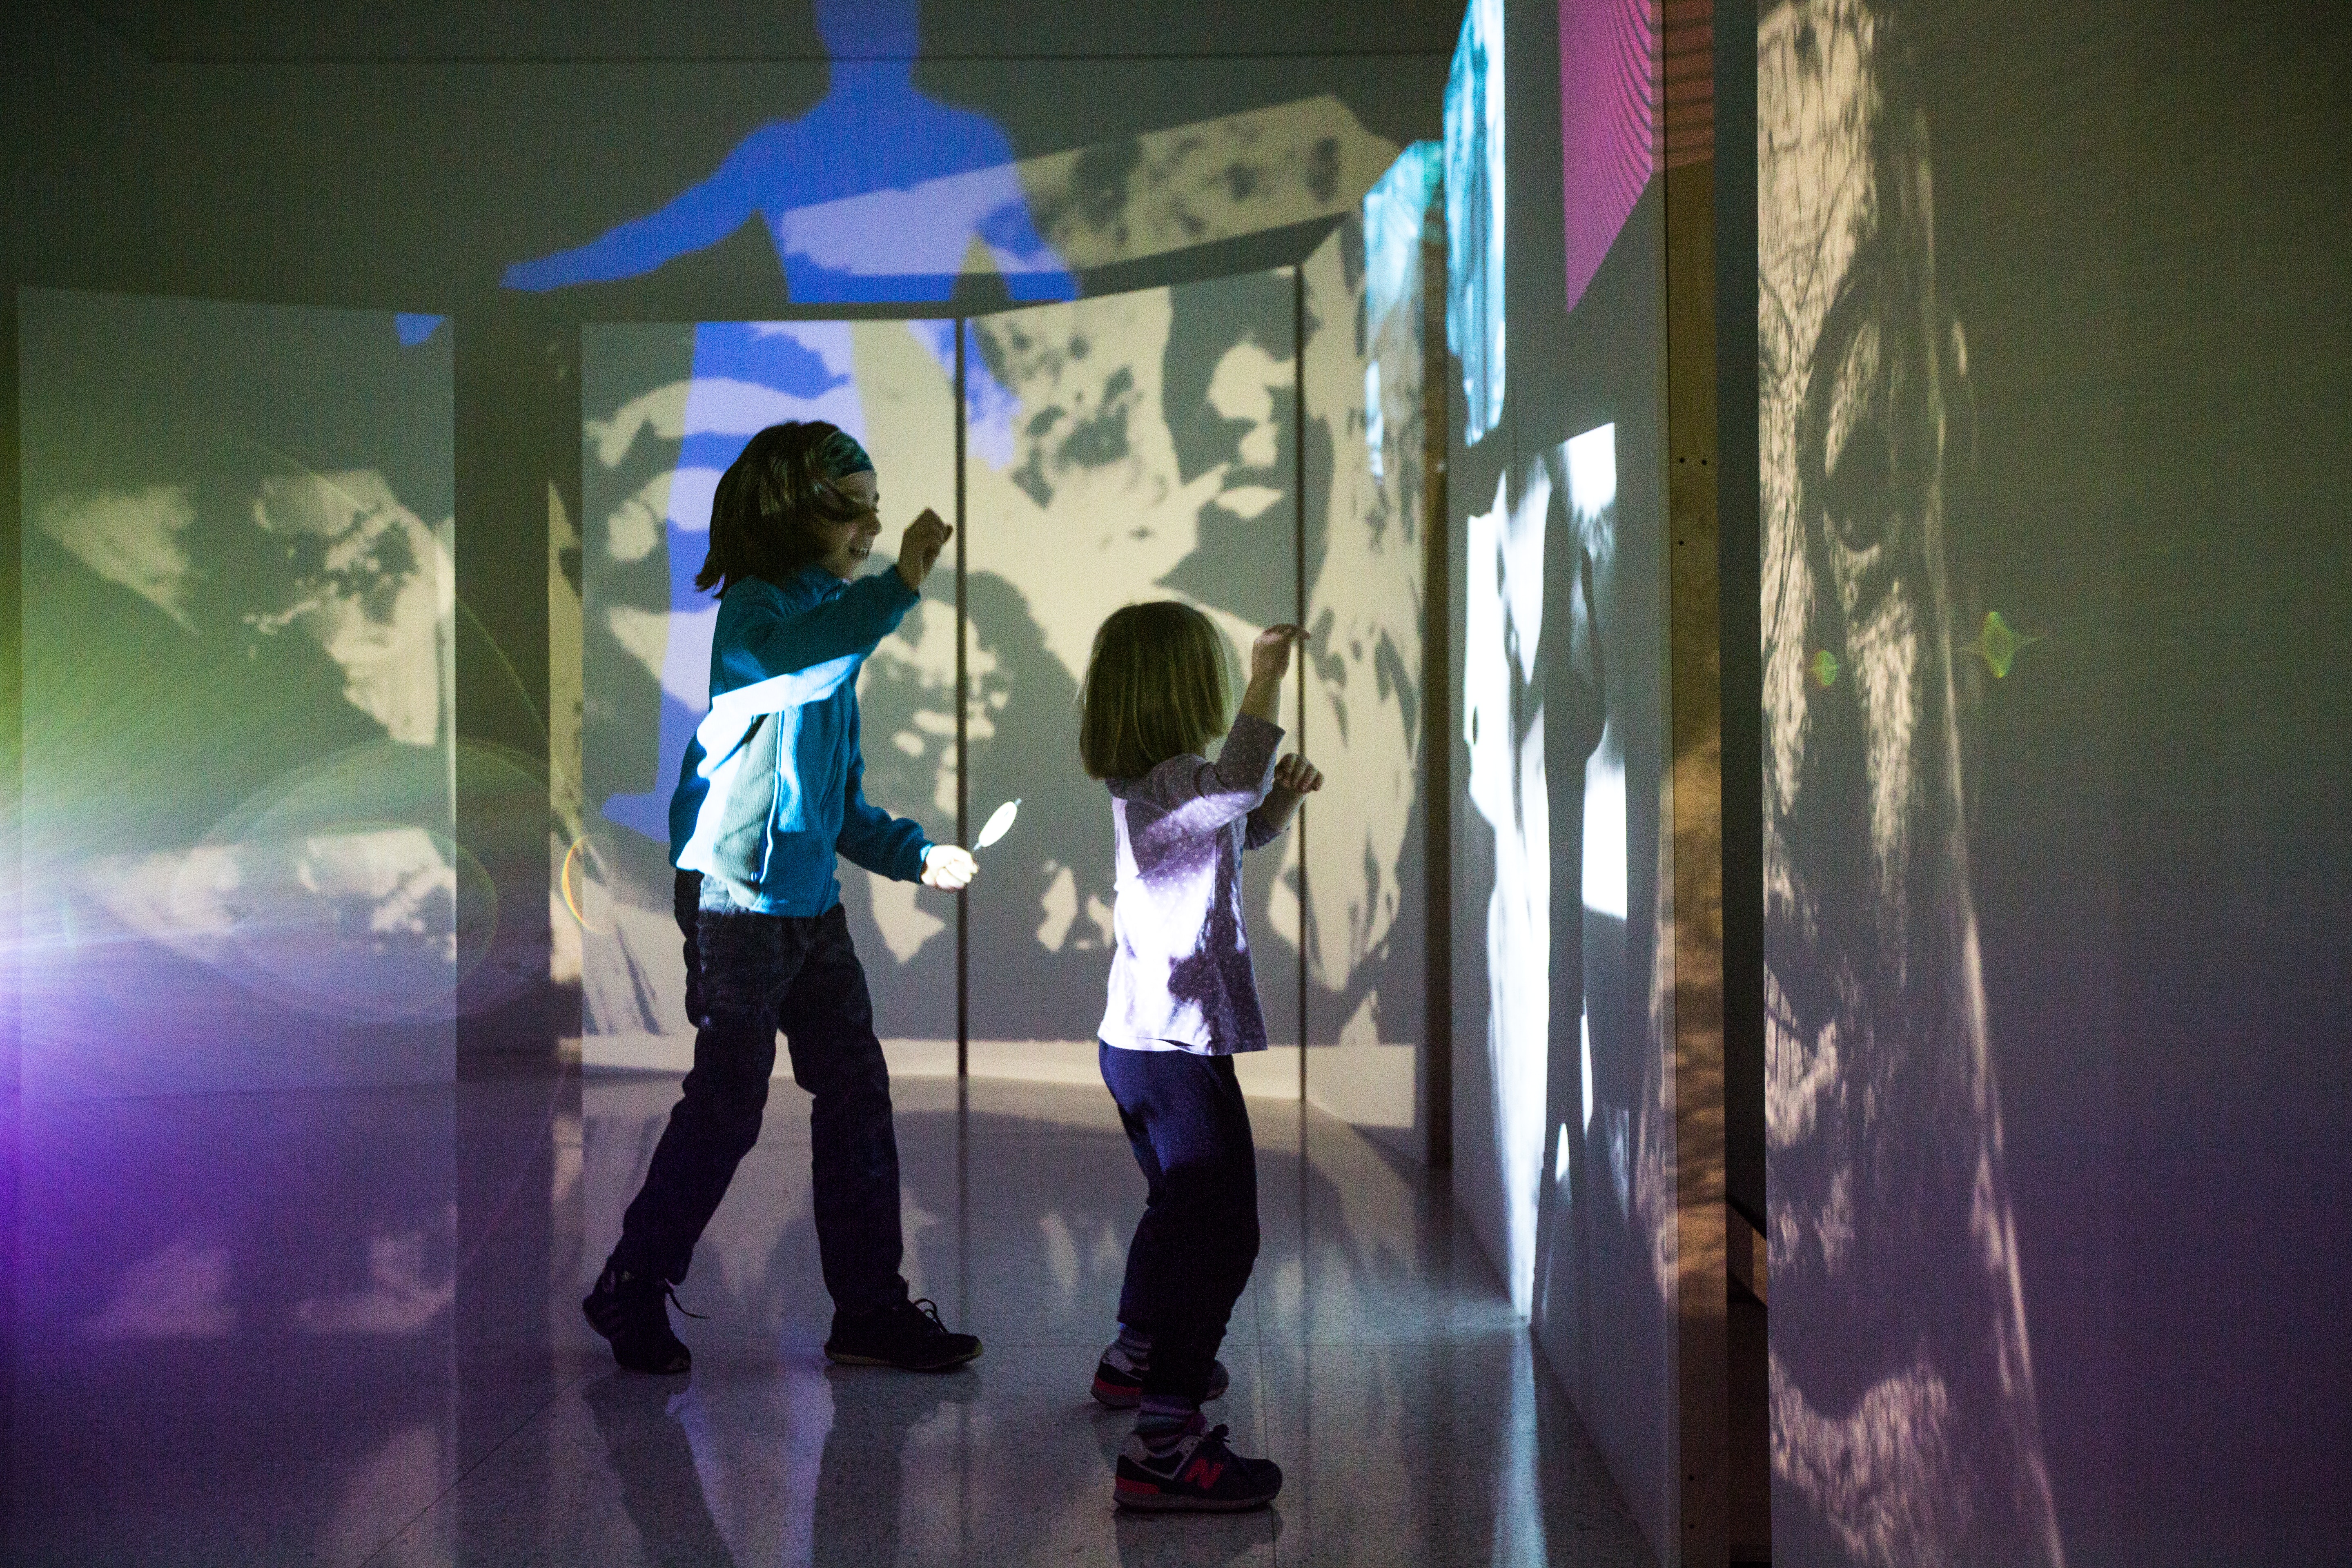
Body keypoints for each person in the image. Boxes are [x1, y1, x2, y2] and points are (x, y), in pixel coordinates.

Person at [583, 419, 982, 1376]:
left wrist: (916, 855)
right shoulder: (760, 618)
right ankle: (630, 1285)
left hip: (807, 906)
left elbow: (837, 804)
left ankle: (871, 1311)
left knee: (853, 1088)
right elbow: (803, 662)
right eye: (854, 508)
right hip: (734, 901)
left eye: (874, 508)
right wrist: (899, 589)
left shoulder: (835, 626)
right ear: (791, 510)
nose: (873, 527)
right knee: (728, 1100)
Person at [1076, 601, 1322, 1513]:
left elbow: (1238, 824)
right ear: (1185, 690)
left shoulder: (1168, 790)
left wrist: (1282, 802)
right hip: (1169, 1052)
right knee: (1222, 1234)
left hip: (1152, 1046)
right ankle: (1166, 1445)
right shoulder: (1169, 786)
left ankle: (1136, 1360)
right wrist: (1269, 676)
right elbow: (1237, 783)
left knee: (1181, 1214)